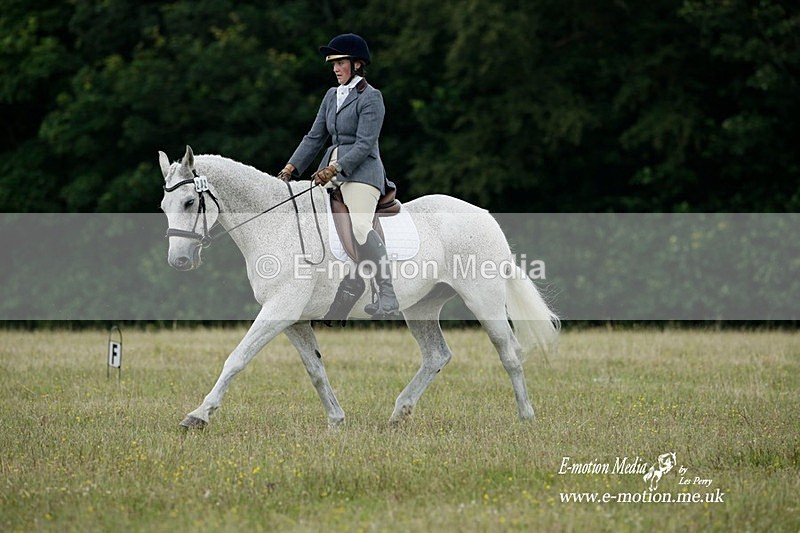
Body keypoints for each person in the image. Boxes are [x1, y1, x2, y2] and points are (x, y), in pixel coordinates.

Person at [277, 33, 399, 321]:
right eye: (332, 63)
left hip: (362, 173)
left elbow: (365, 144)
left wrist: (335, 168)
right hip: (329, 173)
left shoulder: (371, 98)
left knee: (358, 226)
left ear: (357, 65)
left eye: (340, 62)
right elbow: (315, 136)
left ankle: (388, 292)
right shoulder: (332, 95)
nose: (335, 68)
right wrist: (291, 168)